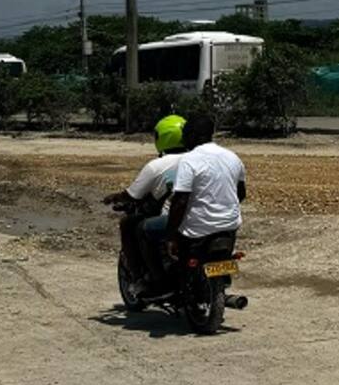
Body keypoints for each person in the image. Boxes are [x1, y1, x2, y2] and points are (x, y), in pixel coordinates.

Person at [103, 114, 186, 293]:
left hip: (174, 218)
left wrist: (113, 198)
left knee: (132, 225)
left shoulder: (157, 166)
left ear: (161, 138)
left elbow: (132, 195)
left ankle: (151, 279)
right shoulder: (198, 160)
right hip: (203, 217)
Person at [166, 113, 246, 258]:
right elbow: (241, 194)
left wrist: (171, 237)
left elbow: (180, 202)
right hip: (229, 228)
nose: (183, 139)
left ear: (193, 135)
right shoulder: (233, 157)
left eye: (185, 134)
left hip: (197, 233)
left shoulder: (189, 160)